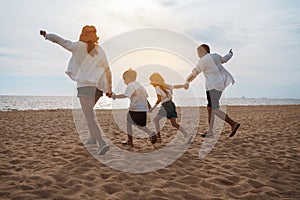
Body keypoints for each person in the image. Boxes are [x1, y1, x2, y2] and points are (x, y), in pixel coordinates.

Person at [40, 25, 112, 155]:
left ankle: (102, 143)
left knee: (89, 116)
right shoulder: (100, 50)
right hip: (98, 88)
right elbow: (108, 70)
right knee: (88, 114)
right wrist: (109, 88)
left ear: (82, 34)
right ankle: (92, 138)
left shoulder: (77, 46)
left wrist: (47, 35)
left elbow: (61, 41)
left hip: (84, 87)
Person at [185, 44, 240, 137]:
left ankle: (233, 123)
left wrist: (187, 81)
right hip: (220, 85)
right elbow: (225, 59)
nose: (198, 55)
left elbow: (195, 72)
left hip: (212, 87)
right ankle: (210, 131)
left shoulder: (204, 60)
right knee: (210, 108)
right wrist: (230, 54)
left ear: (203, 51)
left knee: (214, 109)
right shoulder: (216, 56)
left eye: (198, 52)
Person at [112, 68, 157, 147]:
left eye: (124, 79)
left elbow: (125, 95)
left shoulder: (131, 85)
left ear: (128, 78)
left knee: (128, 123)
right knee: (140, 125)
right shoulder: (140, 86)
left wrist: (115, 96)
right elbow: (146, 98)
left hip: (135, 109)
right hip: (143, 109)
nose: (124, 81)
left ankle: (130, 141)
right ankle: (150, 133)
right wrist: (149, 107)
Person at [149, 72, 192, 143]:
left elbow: (159, 99)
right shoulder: (167, 85)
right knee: (174, 124)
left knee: (156, 120)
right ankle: (187, 135)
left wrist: (152, 108)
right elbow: (176, 86)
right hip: (171, 105)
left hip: (166, 106)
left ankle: (159, 138)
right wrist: (184, 85)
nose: (151, 82)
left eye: (151, 80)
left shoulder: (157, 87)